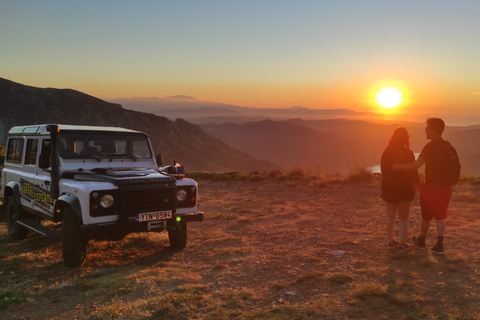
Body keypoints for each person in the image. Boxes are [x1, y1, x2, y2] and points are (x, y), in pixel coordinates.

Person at [392, 117, 458, 255]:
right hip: (446, 188)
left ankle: (422, 241)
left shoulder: (430, 146)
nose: (425, 130)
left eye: (427, 128)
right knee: (441, 216)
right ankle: (439, 245)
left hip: (431, 188)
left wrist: (400, 167)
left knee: (426, 217)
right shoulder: (449, 147)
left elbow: (416, 165)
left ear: (433, 129)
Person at [381, 127, 419, 253]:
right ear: (406, 138)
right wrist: (416, 184)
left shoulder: (386, 152)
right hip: (404, 189)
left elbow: (384, 171)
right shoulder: (408, 153)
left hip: (388, 188)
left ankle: (391, 242)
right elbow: (413, 171)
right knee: (403, 218)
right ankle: (402, 244)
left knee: (390, 216)